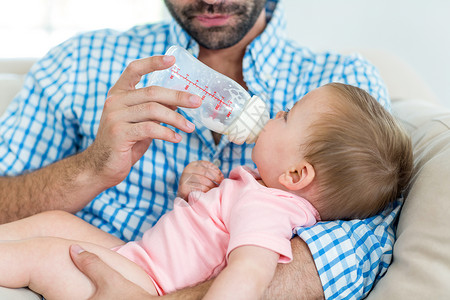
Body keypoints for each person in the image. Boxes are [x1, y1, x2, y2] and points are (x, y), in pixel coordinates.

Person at [0, 0, 397, 298]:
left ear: (297, 174)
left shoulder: (344, 91)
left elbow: (358, 245)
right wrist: (92, 168)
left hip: (148, 281)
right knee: (52, 223)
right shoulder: (80, 61)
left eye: (286, 114)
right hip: (138, 252)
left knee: (41, 254)